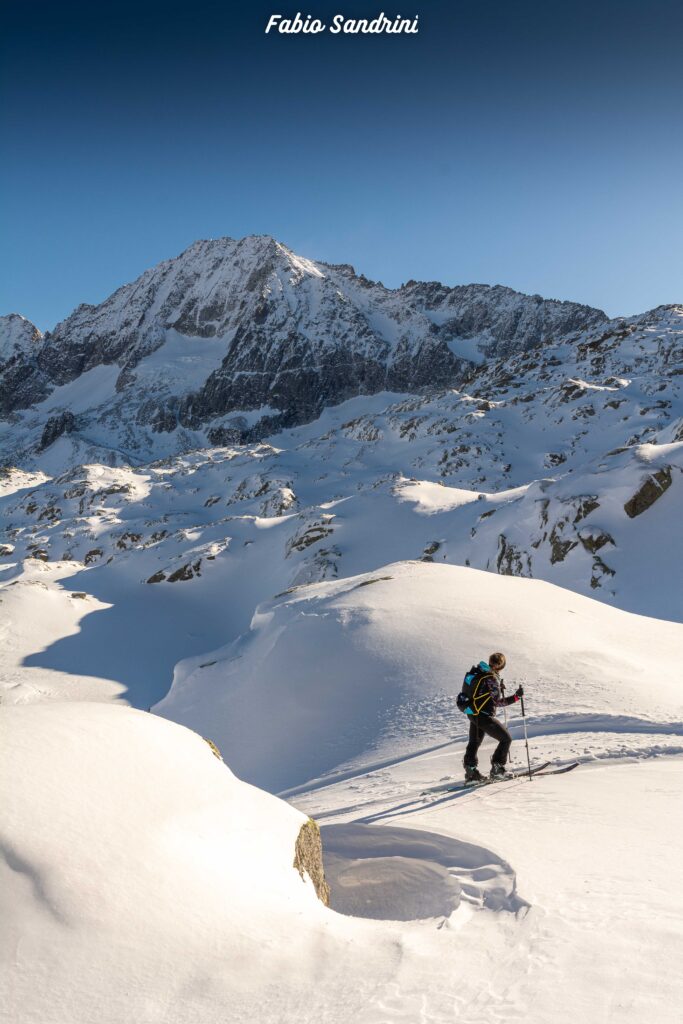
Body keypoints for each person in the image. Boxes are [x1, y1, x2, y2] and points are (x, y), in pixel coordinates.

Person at [460, 652, 523, 782]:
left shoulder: (479, 672)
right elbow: (498, 702)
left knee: (474, 742)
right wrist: (515, 697)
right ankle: (497, 770)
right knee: (506, 739)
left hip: (472, 713)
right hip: (483, 715)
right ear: (500, 666)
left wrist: (497, 686)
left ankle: (471, 773)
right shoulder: (491, 678)